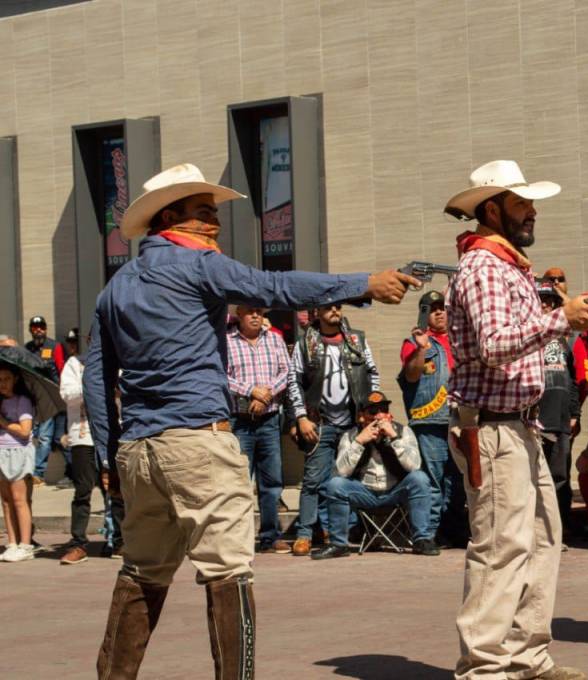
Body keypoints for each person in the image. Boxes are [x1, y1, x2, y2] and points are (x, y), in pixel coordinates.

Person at [83, 162, 418, 679]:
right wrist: (363, 283)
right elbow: (273, 288)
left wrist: (110, 458)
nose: (215, 225)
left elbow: (98, 379)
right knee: (228, 571)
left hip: (139, 449)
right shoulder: (197, 264)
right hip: (198, 443)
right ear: (171, 218)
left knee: (142, 574)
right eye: (203, 213)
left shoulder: (115, 286)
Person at [443, 159, 588, 680]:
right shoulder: (486, 268)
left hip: (515, 425)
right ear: (492, 209)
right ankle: (485, 666)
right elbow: (494, 346)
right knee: (500, 547)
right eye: (521, 203)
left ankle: (524, 654)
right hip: (491, 427)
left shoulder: (506, 265)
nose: (532, 212)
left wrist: (558, 319)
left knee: (540, 539)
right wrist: (561, 319)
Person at [287, 302, 381, 557]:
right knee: (313, 479)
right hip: (320, 421)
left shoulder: (356, 339)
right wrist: (301, 417)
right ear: (318, 312)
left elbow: (372, 373)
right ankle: (305, 534)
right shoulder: (306, 341)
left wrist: (370, 407)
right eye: (329, 308)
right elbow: (294, 380)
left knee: (343, 478)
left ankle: (334, 531)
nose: (335, 311)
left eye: (338, 307)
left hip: (352, 422)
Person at [314, 390, 436, 558]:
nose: (379, 416)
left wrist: (394, 438)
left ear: (389, 414)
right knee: (335, 485)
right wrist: (359, 442)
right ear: (362, 416)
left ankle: (422, 540)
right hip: (365, 492)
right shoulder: (350, 436)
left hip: (395, 491)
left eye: (383, 410)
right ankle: (338, 544)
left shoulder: (403, 432)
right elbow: (341, 472)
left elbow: (414, 466)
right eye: (373, 412)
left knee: (420, 479)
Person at [399, 289, 466, 547]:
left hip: (460, 418)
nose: (440, 312)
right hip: (430, 423)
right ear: (424, 313)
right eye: (433, 308)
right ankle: (427, 534)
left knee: (459, 481)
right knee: (433, 481)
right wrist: (421, 348)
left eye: (443, 307)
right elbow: (412, 375)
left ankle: (455, 530)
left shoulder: (460, 340)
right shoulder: (413, 342)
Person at [226, 304, 292, 555]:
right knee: (239, 482)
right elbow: (220, 375)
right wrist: (250, 391)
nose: (256, 315)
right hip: (239, 420)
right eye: (250, 311)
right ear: (239, 314)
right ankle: (237, 539)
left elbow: (286, 372)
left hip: (269, 420)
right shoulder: (225, 341)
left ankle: (270, 536)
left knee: (272, 481)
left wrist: (265, 395)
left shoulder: (274, 339)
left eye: (260, 312)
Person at [536, 284, 580, 538]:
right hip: (538, 418)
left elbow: (572, 380)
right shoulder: (526, 335)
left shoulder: (564, 340)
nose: (545, 306)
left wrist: (575, 414)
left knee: (560, 478)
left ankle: (558, 532)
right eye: (541, 301)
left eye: (550, 302)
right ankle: (537, 533)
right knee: (535, 479)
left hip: (562, 418)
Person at [58, 336, 99, 565]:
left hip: (111, 433)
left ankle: (121, 541)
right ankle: (79, 543)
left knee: (116, 491)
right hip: (83, 435)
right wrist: (93, 385)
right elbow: (67, 394)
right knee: (83, 490)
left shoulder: (120, 360)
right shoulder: (75, 363)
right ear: (88, 340)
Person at [25, 315, 68, 486]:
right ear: (30, 330)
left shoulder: (54, 346)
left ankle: (38, 473)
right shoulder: (27, 348)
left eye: (41, 327)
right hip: (32, 398)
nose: (38, 330)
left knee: (44, 437)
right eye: (35, 327)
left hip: (49, 398)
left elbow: (61, 369)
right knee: (32, 436)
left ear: (46, 329)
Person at [0, 365, 35, 562]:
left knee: (19, 499)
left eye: (6, 379)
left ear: (15, 379)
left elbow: (25, 430)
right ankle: (12, 542)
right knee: (5, 501)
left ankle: (25, 544)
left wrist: (3, 423)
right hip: (1, 451)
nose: (2, 383)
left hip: (17, 452)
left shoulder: (23, 401)